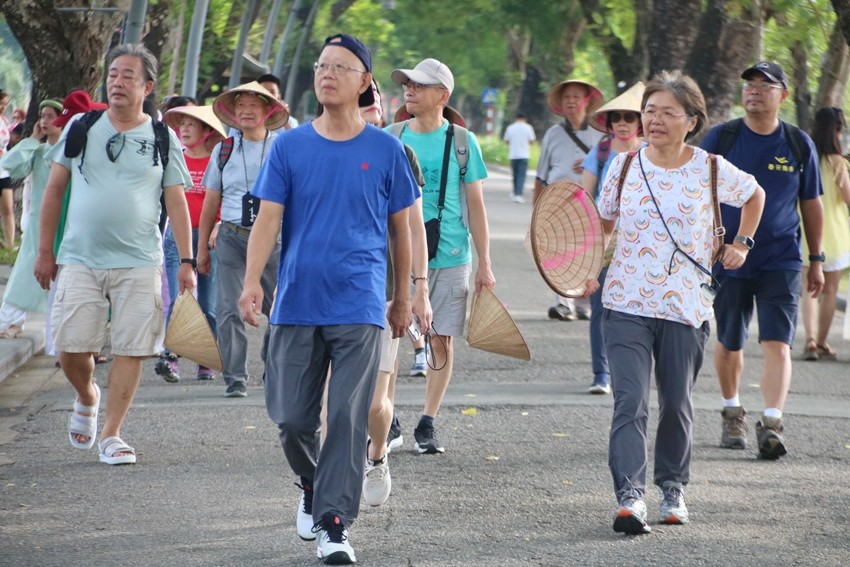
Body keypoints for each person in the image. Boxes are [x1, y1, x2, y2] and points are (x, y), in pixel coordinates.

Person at [239, 34, 418, 564]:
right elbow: (268, 219)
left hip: (360, 303)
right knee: (293, 418)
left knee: (346, 415)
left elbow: (401, 231)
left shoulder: (385, 149)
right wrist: (252, 281)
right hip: (296, 300)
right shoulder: (290, 146)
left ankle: (335, 524)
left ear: (365, 82)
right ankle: (312, 486)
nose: (328, 73)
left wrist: (404, 296)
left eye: (342, 67)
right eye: (322, 65)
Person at [591, 70, 765, 534]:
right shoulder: (623, 165)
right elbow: (603, 226)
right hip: (626, 299)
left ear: (691, 120)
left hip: (685, 305)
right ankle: (630, 497)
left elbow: (755, 194)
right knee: (629, 400)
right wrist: (585, 267)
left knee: (676, 402)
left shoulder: (709, 168)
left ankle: (671, 488)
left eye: (668, 112)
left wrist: (742, 243)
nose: (655, 120)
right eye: (650, 111)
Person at [34, 44, 195, 466]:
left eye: (128, 75)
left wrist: (188, 263)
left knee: (132, 348)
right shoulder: (81, 128)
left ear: (147, 86)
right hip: (79, 259)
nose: (117, 82)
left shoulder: (163, 137)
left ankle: (111, 434)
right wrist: (43, 252)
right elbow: (53, 191)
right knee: (70, 348)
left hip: (141, 260)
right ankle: (87, 396)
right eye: (113, 74)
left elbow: (176, 201)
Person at [701, 61, 824, 460]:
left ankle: (772, 423)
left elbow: (811, 202)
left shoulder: (797, 142)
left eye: (765, 85)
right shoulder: (723, 137)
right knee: (728, 342)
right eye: (750, 84)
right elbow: (695, 191)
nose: (754, 90)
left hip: (781, 259)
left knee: (778, 343)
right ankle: (732, 409)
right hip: (728, 260)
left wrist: (817, 258)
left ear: (782, 95)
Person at [389, 57, 494, 454]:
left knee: (441, 341)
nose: (409, 90)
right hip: (397, 257)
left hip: (450, 253)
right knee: (390, 336)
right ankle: (389, 415)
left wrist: (485, 263)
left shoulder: (464, 141)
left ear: (442, 95)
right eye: (407, 84)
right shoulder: (392, 136)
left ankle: (427, 422)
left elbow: (477, 207)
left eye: (419, 85)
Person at [359, 78, 432, 506]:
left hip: (384, 294)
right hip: (329, 294)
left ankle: (377, 452)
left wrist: (418, 290)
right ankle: (325, 489)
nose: (365, 111)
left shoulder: (396, 154)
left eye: (370, 102)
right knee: (328, 398)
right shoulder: (312, 145)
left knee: (375, 398)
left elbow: (414, 229)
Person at [197, 81, 288, 398]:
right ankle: (235, 377)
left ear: (268, 111)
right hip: (232, 237)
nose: (246, 111)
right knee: (228, 309)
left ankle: (272, 363)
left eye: (253, 105)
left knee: (282, 309)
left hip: (275, 241)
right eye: (240, 106)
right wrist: (200, 252)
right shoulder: (224, 150)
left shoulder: (283, 146)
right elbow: (211, 201)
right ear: (233, 114)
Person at [579, 82, 645, 395]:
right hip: (605, 237)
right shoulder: (601, 151)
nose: (621, 123)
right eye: (615, 118)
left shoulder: (651, 153)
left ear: (640, 122)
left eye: (628, 118)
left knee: (640, 310)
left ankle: (633, 374)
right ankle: (600, 373)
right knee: (601, 306)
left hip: (644, 242)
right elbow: (584, 196)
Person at [154, 105, 226, 382]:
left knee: (208, 304)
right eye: (181, 124)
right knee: (179, 298)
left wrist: (217, 227)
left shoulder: (218, 161)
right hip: (177, 238)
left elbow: (224, 198)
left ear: (206, 131)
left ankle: (205, 359)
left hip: (210, 239)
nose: (183, 129)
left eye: (191, 125)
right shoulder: (174, 159)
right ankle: (170, 357)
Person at [536, 78, 604, 321]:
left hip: (591, 204)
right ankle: (563, 302)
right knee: (560, 253)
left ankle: (584, 303)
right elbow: (541, 175)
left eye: (576, 96)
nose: (571, 101)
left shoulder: (601, 134)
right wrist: (537, 213)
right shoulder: (553, 134)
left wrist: (591, 164)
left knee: (588, 253)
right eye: (567, 97)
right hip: (557, 203)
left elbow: (612, 164)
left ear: (587, 101)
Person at [0, 99, 62, 339]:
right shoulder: (39, 151)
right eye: (43, 116)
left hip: (65, 223)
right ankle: (9, 320)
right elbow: (10, 165)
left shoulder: (70, 152)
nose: (45, 121)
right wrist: (33, 140)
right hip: (38, 223)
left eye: (51, 116)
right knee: (26, 270)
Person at [800, 107, 850, 360]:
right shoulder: (838, 163)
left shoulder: (805, 157)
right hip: (837, 235)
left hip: (806, 232)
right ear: (838, 131)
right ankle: (821, 342)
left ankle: (809, 339)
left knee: (808, 288)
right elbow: (848, 198)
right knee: (829, 290)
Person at [502, 113, 536, 203]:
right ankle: (518, 194)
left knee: (515, 175)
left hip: (513, 154)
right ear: (525, 118)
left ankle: (515, 192)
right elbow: (532, 141)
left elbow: (506, 141)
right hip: (524, 155)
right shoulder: (528, 127)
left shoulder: (510, 127)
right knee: (521, 175)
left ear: (516, 118)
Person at [0, 88, 15, 249]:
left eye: (5, 104)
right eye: (0, 103)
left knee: (8, 208)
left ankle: (10, 243)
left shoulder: (4, 121)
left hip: (3, 169)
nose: (3, 107)